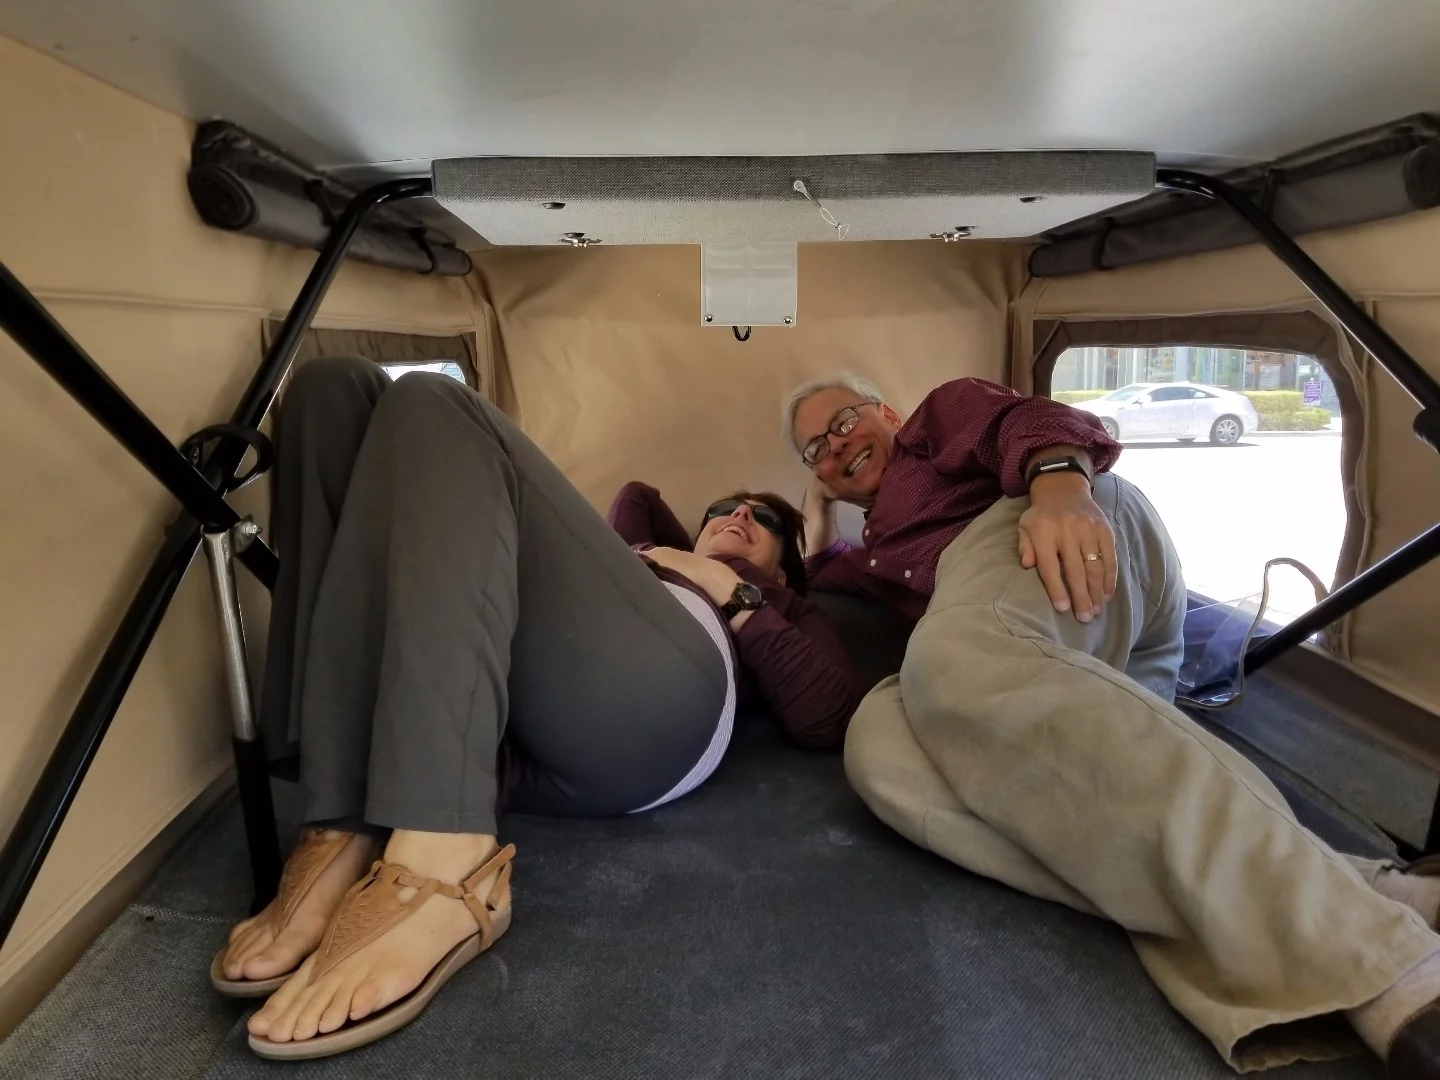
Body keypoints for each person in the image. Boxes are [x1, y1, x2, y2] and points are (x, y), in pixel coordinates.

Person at [783, 371, 1440, 1077]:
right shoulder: (877, 549)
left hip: (1075, 537)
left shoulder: (936, 419)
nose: (837, 446)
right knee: (879, 746)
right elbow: (819, 574)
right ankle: (1367, 893)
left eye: (844, 421)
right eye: (816, 449)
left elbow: (1025, 421)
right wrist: (815, 513)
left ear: (886, 410)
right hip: (1054, 670)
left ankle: (1384, 968)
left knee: (945, 655)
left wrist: (1062, 483)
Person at [212, 356, 860, 1061]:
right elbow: (636, 498)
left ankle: (446, 851)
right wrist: (673, 545)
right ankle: (340, 820)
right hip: (524, 719)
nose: (739, 514)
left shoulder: (775, 599)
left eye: (762, 518)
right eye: (724, 509)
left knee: (437, 400)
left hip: (659, 711)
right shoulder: (636, 549)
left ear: (786, 563)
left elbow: (828, 714)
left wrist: (732, 585)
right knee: (328, 387)